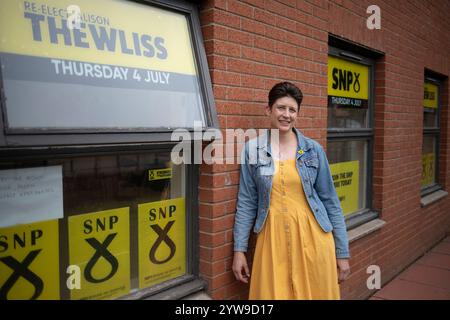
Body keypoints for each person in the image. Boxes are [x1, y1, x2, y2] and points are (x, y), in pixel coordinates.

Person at [232, 82, 350, 299]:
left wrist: (342, 253)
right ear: (268, 110)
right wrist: (239, 250)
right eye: (281, 108)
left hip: (314, 240)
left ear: (298, 114)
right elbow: (247, 202)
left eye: (292, 109)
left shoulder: (313, 150)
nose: (286, 114)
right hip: (271, 242)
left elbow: (330, 201)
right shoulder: (252, 150)